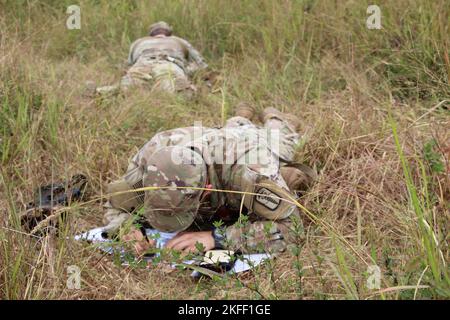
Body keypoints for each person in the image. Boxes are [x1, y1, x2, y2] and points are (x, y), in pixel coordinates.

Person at [103, 104, 316, 255]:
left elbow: (292, 228)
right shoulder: (147, 163)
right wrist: (125, 227)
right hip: (213, 137)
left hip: (252, 144)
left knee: (281, 145)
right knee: (233, 128)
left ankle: (276, 118)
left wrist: (217, 238)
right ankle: (242, 116)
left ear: (206, 189)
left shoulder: (251, 170)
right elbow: (115, 202)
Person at [91, 21, 208, 95]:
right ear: (169, 32)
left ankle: (102, 91)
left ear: (151, 33)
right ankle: (185, 91)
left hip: (143, 64)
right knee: (169, 91)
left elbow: (129, 64)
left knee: (128, 88)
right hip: (169, 64)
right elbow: (201, 64)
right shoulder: (179, 40)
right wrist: (188, 71)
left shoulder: (139, 42)